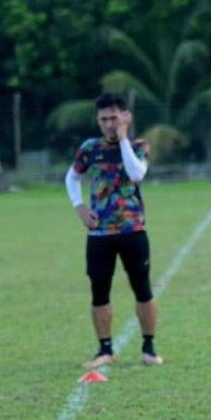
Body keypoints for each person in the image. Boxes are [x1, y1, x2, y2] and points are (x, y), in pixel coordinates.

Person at [65, 92, 163, 368]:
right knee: (99, 290)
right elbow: (72, 177)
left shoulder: (138, 145)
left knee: (142, 287)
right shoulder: (89, 148)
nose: (108, 123)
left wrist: (122, 138)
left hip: (133, 229)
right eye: (103, 119)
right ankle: (105, 348)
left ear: (125, 117)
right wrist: (79, 206)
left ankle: (149, 347)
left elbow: (136, 173)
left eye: (113, 118)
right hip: (99, 234)